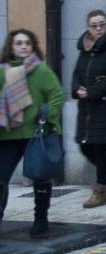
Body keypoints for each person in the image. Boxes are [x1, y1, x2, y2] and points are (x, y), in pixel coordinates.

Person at [0, 29, 65, 238]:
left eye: (27, 43)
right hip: (7, 135)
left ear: (33, 46)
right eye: (18, 43)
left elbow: (57, 95)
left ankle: (41, 219)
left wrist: (47, 116)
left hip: (36, 133)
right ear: (11, 47)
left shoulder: (41, 71)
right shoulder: (2, 72)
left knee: (40, 176)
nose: (23, 47)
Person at [72, 10, 106, 208]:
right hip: (86, 110)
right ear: (88, 28)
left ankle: (100, 191)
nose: (98, 29)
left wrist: (93, 91)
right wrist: (76, 88)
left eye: (101, 24)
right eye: (94, 25)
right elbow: (77, 73)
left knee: (100, 148)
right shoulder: (85, 50)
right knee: (84, 146)